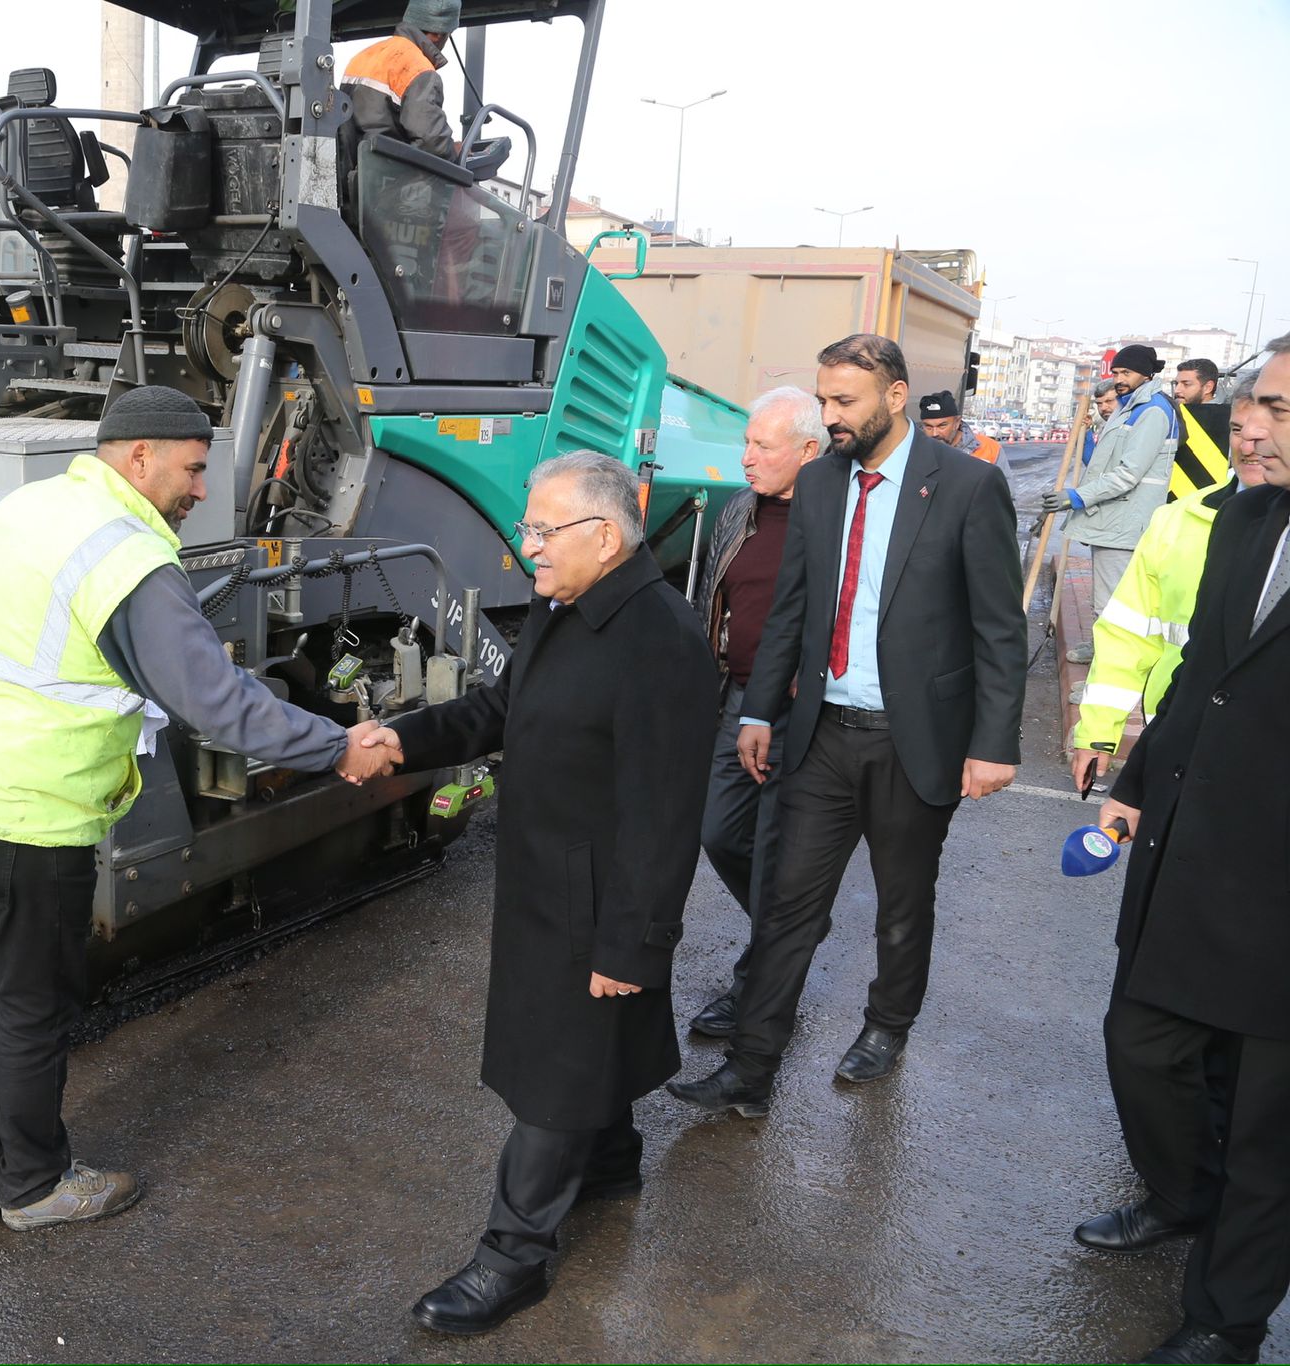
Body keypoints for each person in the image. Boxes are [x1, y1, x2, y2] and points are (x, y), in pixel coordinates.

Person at [0, 386, 394, 1234]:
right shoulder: (124, 555)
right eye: (194, 468)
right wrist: (336, 745)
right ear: (140, 457)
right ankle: (32, 1188)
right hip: (30, 819)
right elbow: (217, 701)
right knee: (28, 1010)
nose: (202, 490)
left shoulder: (6, 511)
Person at [347, 451, 711, 1334]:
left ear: (606, 535)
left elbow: (664, 818)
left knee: (557, 1070)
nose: (527, 545)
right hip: (543, 880)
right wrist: (402, 739)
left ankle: (513, 1259)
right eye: (529, 526)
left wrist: (634, 945)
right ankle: (614, 1160)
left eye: (544, 530)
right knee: (580, 1045)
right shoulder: (566, 606)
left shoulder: (661, 642)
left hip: (598, 899)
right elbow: (501, 711)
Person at [667, 334, 1025, 1117]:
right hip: (822, 730)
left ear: (895, 396)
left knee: (902, 903)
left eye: (845, 402)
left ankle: (886, 1024)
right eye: (824, 400)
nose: (831, 416)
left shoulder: (965, 487)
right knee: (788, 899)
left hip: (913, 736)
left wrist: (994, 743)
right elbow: (792, 607)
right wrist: (760, 709)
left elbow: (1000, 626)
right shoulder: (824, 484)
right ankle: (752, 1070)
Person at [1087, 342, 1290, 1366]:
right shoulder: (1238, 519)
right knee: (1141, 1045)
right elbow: (1193, 677)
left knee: (1266, 1131)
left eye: (1276, 410)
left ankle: (1224, 1316)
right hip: (1188, 849)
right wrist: (1130, 784)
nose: (1245, 426)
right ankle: (1180, 1196)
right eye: (1251, 404)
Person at [685, 385, 825, 1038]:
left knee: (778, 852)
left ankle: (762, 991)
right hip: (739, 699)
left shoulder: (839, 515)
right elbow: (713, 600)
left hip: (808, 710)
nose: (745, 457)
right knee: (719, 830)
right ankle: (793, 925)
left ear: (806, 449)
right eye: (746, 442)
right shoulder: (740, 508)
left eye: (761, 446)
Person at [1071, 378, 1269, 784]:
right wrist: (1097, 732)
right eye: (1237, 429)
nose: (1248, 443)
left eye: (1267, 428)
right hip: (1176, 730)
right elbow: (1127, 633)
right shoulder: (1179, 519)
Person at [1043, 344, 1179, 662]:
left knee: (1114, 603)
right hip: (1113, 520)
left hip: (1126, 522)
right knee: (1106, 599)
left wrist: (1077, 497)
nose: (1119, 378)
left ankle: (1106, 671)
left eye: (1126, 372)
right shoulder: (1129, 407)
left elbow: (1128, 475)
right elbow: (1102, 465)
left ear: (1146, 374)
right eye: (1116, 372)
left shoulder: (1153, 411)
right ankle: (1101, 650)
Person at [343, 1, 464, 159]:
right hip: (387, 177)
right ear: (438, 34)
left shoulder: (362, 57)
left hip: (354, 174)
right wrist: (455, 151)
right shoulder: (419, 70)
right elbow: (432, 144)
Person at [1168, 358, 1230, 504]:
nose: (1177, 390)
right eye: (1177, 383)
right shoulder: (1174, 414)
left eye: (1186, 384)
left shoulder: (1230, 419)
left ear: (1208, 387)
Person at [918, 390, 1002, 464]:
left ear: (957, 423)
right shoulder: (915, 451)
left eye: (942, 426)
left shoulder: (991, 449)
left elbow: (1003, 482)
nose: (934, 433)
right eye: (928, 427)